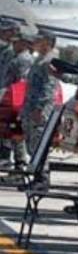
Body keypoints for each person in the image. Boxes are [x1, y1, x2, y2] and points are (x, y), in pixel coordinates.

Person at [19, 31, 58, 191]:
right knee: (32, 145)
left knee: (40, 144)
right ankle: (36, 176)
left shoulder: (49, 61)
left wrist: (40, 108)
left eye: (39, 40)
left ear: (47, 42)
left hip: (40, 110)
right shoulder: (39, 60)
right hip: (31, 108)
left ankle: (42, 179)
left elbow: (48, 88)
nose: (35, 42)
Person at [0, 32, 34, 169]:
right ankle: (9, 159)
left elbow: (21, 82)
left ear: (24, 43)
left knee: (15, 129)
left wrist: (16, 104)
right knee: (9, 129)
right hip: (10, 97)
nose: (13, 44)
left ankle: (19, 162)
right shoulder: (17, 57)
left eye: (16, 42)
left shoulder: (24, 59)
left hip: (15, 99)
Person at [0, 19, 23, 168]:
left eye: (6, 30)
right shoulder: (5, 49)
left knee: (9, 127)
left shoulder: (12, 52)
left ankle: (7, 157)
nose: (2, 33)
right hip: (4, 92)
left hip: (9, 95)